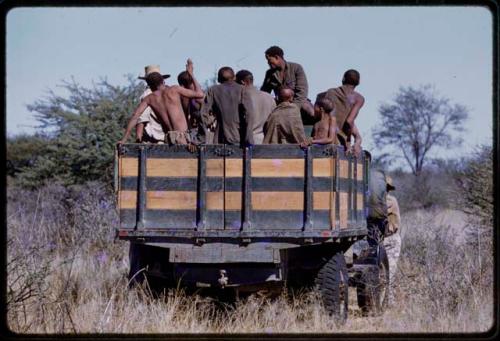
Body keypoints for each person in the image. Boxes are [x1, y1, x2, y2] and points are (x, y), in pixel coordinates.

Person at [118, 59, 204, 146]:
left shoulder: (149, 98)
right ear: (163, 81)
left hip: (169, 140)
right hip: (183, 138)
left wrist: (124, 140)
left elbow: (135, 117)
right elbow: (200, 94)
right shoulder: (175, 89)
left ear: (150, 86)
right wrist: (191, 74)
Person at [200, 66, 255, 146]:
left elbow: (203, 115)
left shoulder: (213, 90)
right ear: (234, 77)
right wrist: (248, 138)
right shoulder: (242, 90)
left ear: (218, 79)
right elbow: (249, 114)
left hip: (219, 137)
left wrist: (200, 138)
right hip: (239, 137)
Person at [316, 69, 365, 156]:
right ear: (358, 82)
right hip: (340, 136)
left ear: (343, 79)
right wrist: (348, 141)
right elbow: (349, 121)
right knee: (359, 139)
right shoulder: (359, 98)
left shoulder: (331, 92)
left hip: (326, 133)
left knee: (358, 138)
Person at [260, 46, 315, 122]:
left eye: (269, 60)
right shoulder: (269, 73)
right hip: (280, 104)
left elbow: (302, 92)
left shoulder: (296, 68)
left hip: (297, 102)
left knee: (311, 112)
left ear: (277, 57)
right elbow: (264, 93)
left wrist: (293, 109)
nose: (268, 63)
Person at [235, 69, 276, 144]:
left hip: (244, 142)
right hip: (265, 141)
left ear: (242, 82)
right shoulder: (269, 97)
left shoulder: (239, 97)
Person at [135, 65, 170, 144]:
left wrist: (138, 138)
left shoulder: (148, 95)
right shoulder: (169, 93)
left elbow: (141, 118)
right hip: (169, 137)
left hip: (155, 139)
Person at [384, 175, 401, 304]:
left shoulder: (390, 200)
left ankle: (389, 300)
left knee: (390, 270)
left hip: (390, 239)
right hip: (383, 239)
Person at [177, 70, 206, 144]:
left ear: (182, 85)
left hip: (200, 130)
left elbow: (186, 113)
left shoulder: (194, 95)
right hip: (198, 128)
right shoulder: (192, 94)